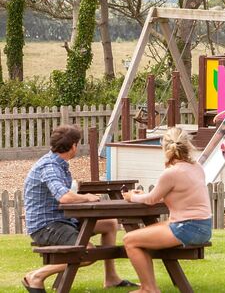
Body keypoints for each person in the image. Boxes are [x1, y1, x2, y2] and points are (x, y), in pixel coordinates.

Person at [22, 124, 136, 293]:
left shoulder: (57, 163)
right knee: (87, 252)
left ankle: (111, 278)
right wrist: (86, 197)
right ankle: (37, 276)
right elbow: (64, 197)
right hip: (46, 226)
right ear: (74, 145)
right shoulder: (50, 166)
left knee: (109, 223)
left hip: (63, 220)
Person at [122, 127, 212, 293]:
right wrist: (148, 195)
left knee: (130, 240)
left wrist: (131, 197)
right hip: (203, 227)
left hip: (186, 228)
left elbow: (151, 200)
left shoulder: (171, 173)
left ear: (164, 148)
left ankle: (149, 289)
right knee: (143, 235)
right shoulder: (197, 167)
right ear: (187, 145)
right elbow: (179, 193)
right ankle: (149, 287)